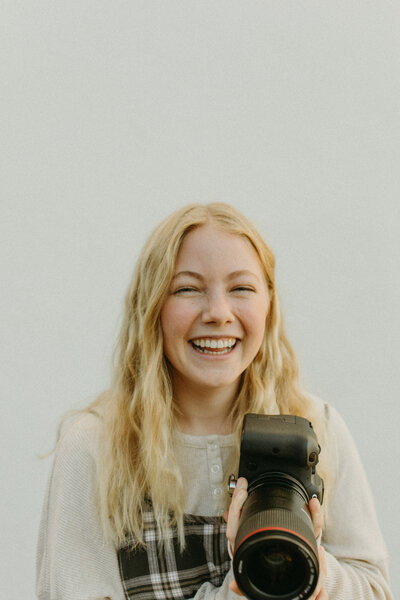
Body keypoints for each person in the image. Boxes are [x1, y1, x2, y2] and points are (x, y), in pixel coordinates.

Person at [36, 203, 393, 600]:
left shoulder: (314, 427)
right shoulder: (96, 448)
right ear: (151, 305)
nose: (219, 313)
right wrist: (240, 590)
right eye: (188, 288)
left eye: (241, 288)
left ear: (269, 304)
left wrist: (310, 566)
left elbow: (374, 587)